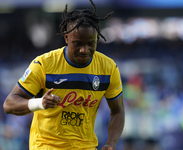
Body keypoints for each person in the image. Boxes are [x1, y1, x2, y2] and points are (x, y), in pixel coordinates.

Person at [3, 0, 125, 149]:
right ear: (66, 38)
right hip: (47, 146)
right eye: (78, 43)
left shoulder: (108, 68)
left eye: (90, 43)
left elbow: (118, 110)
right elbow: (9, 104)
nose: (84, 50)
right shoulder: (44, 64)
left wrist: (111, 143)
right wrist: (39, 103)